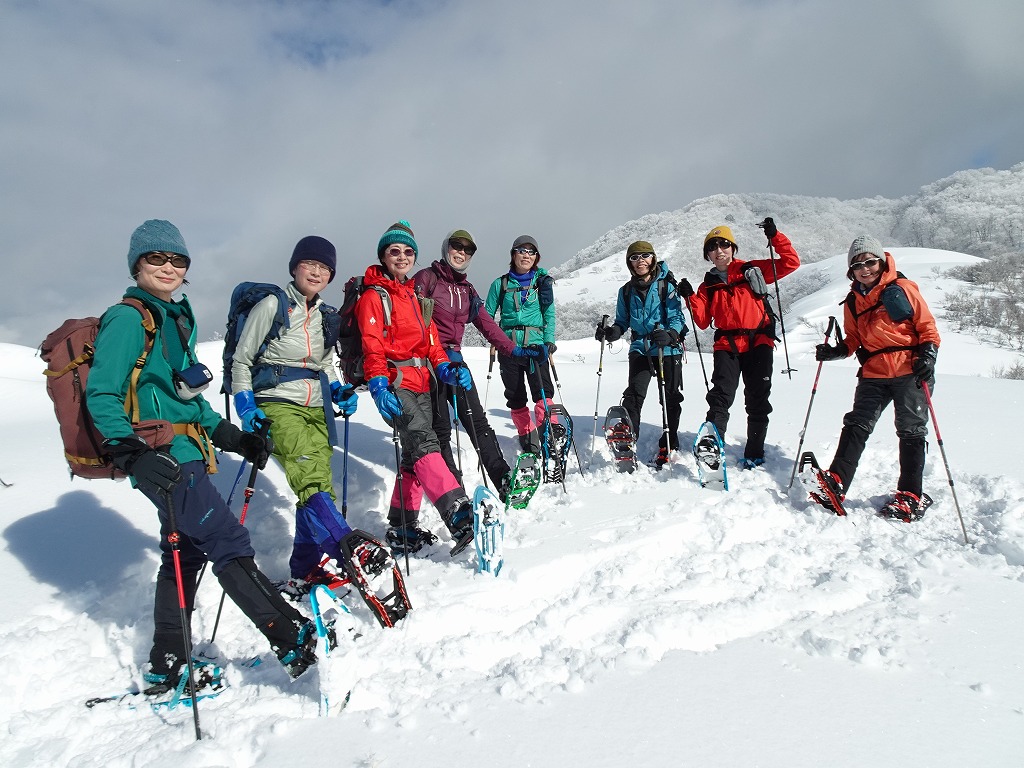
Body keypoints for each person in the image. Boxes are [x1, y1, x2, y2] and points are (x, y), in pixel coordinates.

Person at [86, 220, 318, 693]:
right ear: (136, 264)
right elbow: (102, 394)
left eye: (177, 260)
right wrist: (129, 453)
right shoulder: (128, 319)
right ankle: (291, 637)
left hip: (187, 451)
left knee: (185, 552)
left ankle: (166, 662)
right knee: (226, 539)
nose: (168, 267)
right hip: (159, 457)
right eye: (156, 258)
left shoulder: (175, 317)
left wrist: (234, 438)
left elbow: (189, 401)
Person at [229, 235, 386, 596]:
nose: (316, 272)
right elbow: (242, 360)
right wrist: (246, 405)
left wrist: (338, 389)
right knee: (311, 479)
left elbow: (325, 364)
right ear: (295, 267)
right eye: (309, 264)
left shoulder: (325, 315)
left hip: (317, 408)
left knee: (317, 488)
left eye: (324, 268)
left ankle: (305, 569)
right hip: (277, 403)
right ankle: (347, 548)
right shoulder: (272, 305)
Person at [356, 220, 477, 555]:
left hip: (423, 383)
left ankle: (402, 526)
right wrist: (378, 385)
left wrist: (446, 368)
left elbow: (432, 343)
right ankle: (458, 512)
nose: (402, 257)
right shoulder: (374, 296)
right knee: (425, 443)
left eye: (408, 251)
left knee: (413, 457)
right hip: (396, 385)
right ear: (383, 255)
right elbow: (372, 346)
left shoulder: (415, 296)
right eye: (394, 251)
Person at [813, 235, 940, 521]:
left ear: (881, 262)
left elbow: (927, 327)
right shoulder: (852, 302)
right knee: (857, 423)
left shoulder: (902, 288)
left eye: (869, 262)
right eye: (857, 265)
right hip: (873, 372)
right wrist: (836, 352)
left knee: (911, 430)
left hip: (909, 368)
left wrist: (928, 356)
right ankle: (837, 482)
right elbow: (853, 339)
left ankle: (910, 495)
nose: (864, 269)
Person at [413, 229, 540, 497]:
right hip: (428, 363)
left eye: (467, 249)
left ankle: (503, 479)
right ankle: (453, 492)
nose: (461, 252)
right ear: (446, 247)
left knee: (477, 422)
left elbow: (487, 324)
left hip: (456, 363)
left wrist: (514, 350)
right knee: (441, 429)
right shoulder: (427, 278)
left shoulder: (467, 290)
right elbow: (411, 319)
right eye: (456, 246)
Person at [684, 217, 800, 468]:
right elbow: (702, 321)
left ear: (733, 247)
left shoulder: (751, 270)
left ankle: (755, 452)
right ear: (708, 255)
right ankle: (713, 445)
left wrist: (775, 237)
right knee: (720, 396)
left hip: (759, 342)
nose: (719, 250)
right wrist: (690, 296)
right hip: (727, 345)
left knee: (757, 398)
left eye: (724, 244)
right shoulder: (707, 286)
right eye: (712, 247)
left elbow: (791, 263)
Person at [595, 240, 688, 467]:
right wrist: (612, 332)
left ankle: (669, 442)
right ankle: (628, 438)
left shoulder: (667, 286)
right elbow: (622, 322)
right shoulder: (626, 291)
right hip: (640, 347)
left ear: (653, 258)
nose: (640, 261)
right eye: (634, 257)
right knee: (634, 394)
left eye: (645, 256)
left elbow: (677, 317)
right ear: (630, 263)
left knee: (670, 397)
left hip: (667, 348)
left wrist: (670, 334)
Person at [484, 235, 557, 455]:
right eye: (521, 250)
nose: (526, 255)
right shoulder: (500, 284)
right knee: (515, 395)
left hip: (536, 347)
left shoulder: (542, 283)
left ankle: (549, 433)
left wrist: (549, 341)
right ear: (513, 254)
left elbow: (549, 314)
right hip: (509, 348)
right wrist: (497, 340)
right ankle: (527, 436)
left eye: (531, 252)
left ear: (536, 257)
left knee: (543, 392)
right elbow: (486, 317)